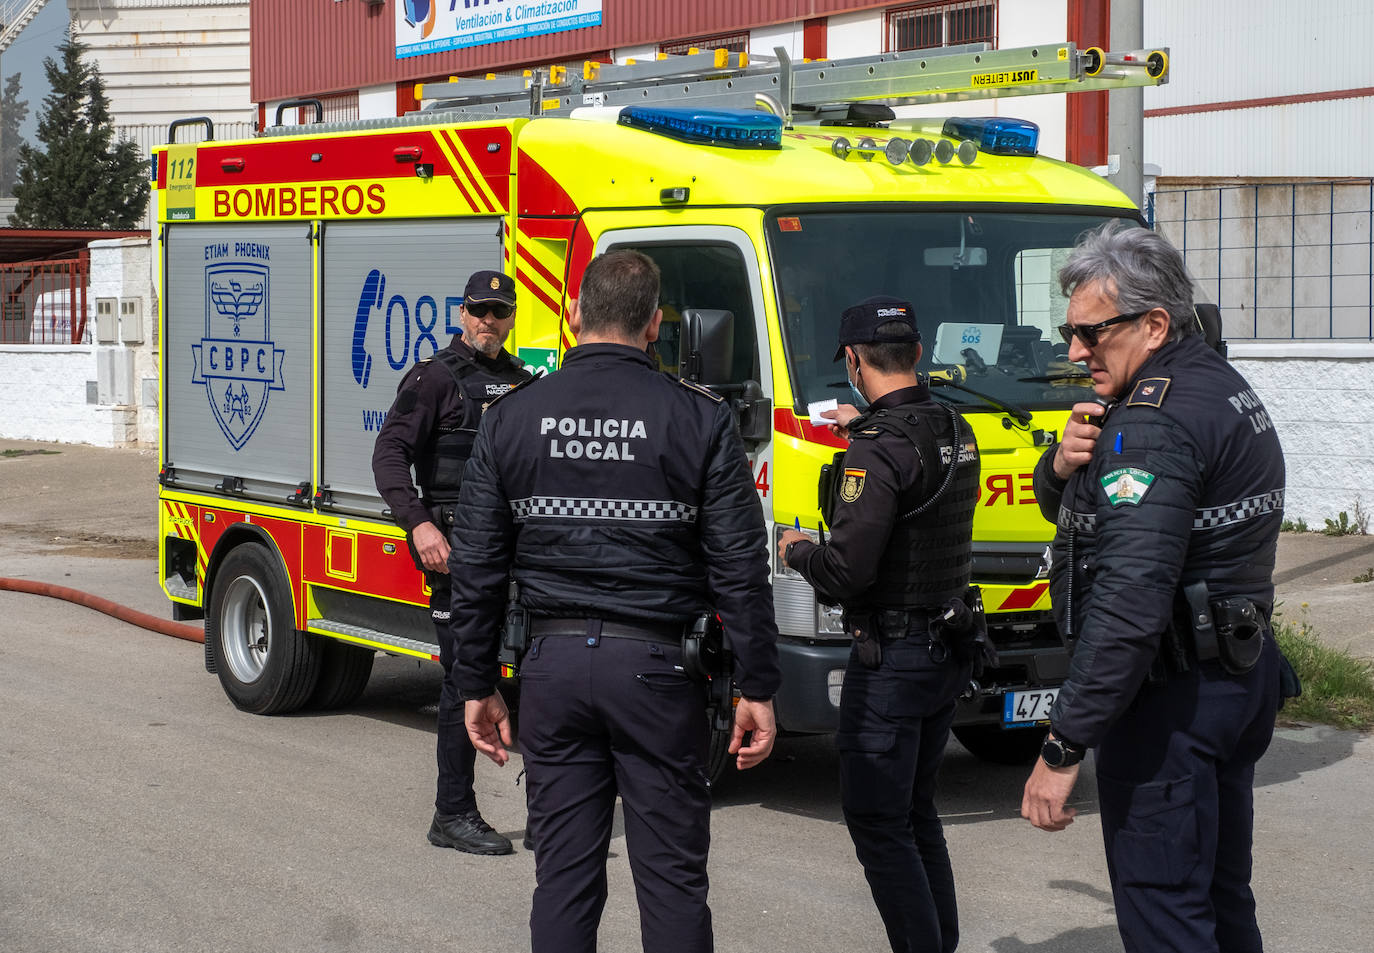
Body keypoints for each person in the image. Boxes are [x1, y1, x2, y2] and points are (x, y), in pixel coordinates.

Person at [450, 249, 781, 953]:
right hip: (660, 674)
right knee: (671, 880)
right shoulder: (699, 418)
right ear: (654, 323)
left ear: (574, 314)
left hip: (552, 668)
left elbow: (476, 567)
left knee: (564, 876)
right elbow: (740, 567)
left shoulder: (512, 416)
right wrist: (759, 682)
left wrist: (475, 683)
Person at [1020, 221, 1286, 953]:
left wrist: (1062, 746)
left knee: (1166, 913)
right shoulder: (1217, 382)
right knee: (1220, 895)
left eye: (1091, 334)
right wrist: (1060, 468)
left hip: (1173, 697)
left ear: (1154, 322)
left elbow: (1128, 603)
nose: (1076, 352)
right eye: (1069, 333)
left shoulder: (1151, 423)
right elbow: (1109, 522)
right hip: (1234, 674)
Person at [777, 295, 981, 953]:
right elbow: (913, 473)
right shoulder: (954, 427)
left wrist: (796, 550)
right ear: (919, 355)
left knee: (877, 821)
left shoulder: (876, 451)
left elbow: (846, 571)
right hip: (946, 646)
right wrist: (862, 428)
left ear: (855, 361)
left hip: (891, 658)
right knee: (917, 813)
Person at [371, 269, 532, 856]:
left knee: (538, 680)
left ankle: (545, 812)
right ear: (461, 313)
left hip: (519, 552)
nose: (489, 321)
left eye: (500, 311)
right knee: (466, 680)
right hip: (457, 553)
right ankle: (453, 813)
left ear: (513, 317)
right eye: (479, 310)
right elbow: (388, 455)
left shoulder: (522, 382)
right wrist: (419, 524)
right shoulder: (433, 378)